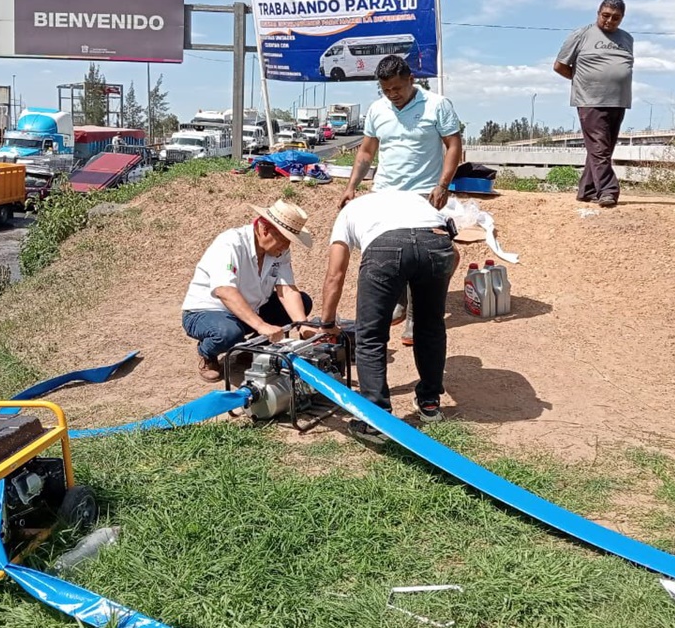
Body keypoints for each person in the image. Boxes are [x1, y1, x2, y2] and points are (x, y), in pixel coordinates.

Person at [339, 54, 464, 345]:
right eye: (387, 90)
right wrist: (351, 186)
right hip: (385, 194)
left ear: (411, 80)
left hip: (423, 195)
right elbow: (366, 153)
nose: (393, 95)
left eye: (398, 88)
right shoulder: (378, 110)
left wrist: (443, 184)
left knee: (431, 256)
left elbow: (454, 145)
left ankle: (416, 314)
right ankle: (400, 302)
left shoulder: (437, 105)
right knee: (389, 252)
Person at [317, 190, 458, 444]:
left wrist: (327, 323)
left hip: (385, 248)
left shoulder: (347, 213)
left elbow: (334, 275)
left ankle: (376, 419)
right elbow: (453, 252)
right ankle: (429, 404)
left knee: (370, 335)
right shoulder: (412, 200)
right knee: (431, 327)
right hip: (437, 244)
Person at [181, 199, 315, 381]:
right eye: (283, 240)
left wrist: (303, 324)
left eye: (289, 242)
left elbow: (288, 290)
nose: (286, 247)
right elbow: (224, 290)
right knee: (227, 334)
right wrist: (262, 326)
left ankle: (251, 350)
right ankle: (206, 353)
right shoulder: (230, 243)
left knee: (303, 302)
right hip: (207, 312)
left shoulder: (279, 251)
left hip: (249, 310)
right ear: (264, 229)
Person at [553, 0, 634, 208]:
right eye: (605, 15)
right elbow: (560, 66)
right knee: (599, 147)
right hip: (590, 99)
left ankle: (587, 189)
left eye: (616, 18)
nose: (609, 21)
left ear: (622, 18)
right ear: (598, 13)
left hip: (618, 99)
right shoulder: (582, 35)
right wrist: (585, 81)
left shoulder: (627, 39)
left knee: (603, 148)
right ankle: (608, 190)